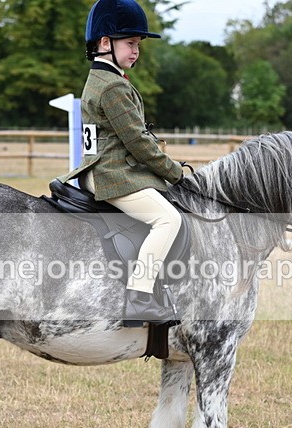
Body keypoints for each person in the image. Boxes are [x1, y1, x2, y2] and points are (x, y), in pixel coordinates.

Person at [62, 0, 183, 325]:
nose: (136, 50)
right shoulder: (113, 87)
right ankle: (139, 298)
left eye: (138, 44)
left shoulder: (103, 80)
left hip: (102, 168)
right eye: (130, 42)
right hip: (111, 174)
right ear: (105, 43)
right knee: (169, 221)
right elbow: (139, 143)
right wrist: (176, 173)